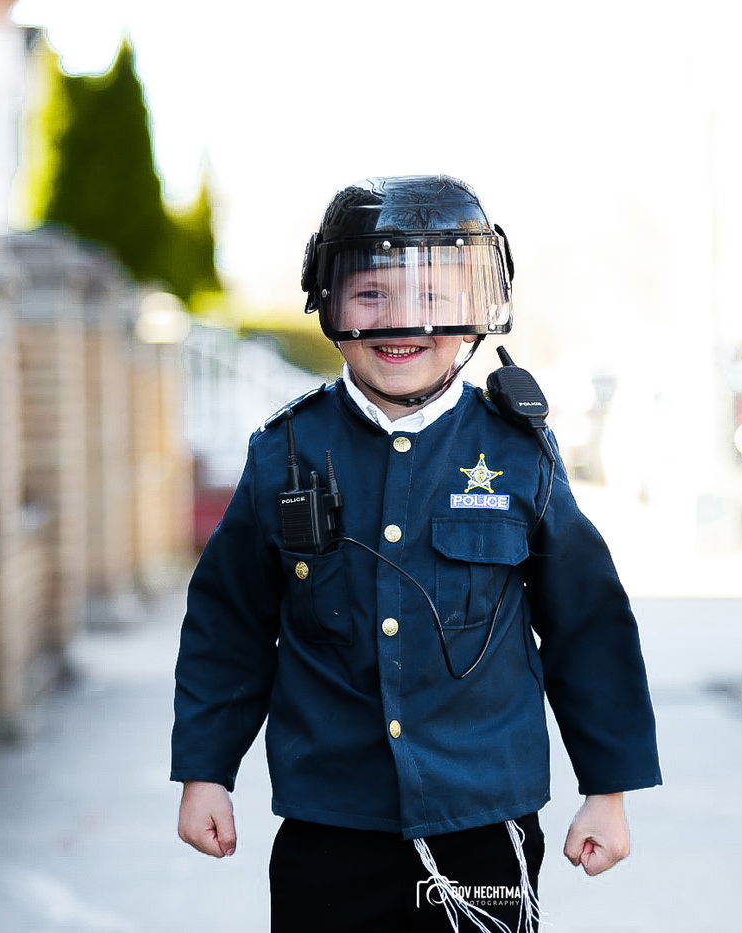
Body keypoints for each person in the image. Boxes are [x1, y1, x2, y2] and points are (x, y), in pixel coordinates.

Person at [171, 175, 661, 933]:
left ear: (478, 308)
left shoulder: (519, 454)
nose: (402, 319)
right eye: (371, 294)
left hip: (484, 824)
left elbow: (587, 625)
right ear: (326, 301)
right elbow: (227, 625)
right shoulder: (284, 453)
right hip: (328, 827)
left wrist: (609, 789)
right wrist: (206, 770)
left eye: (431, 297)